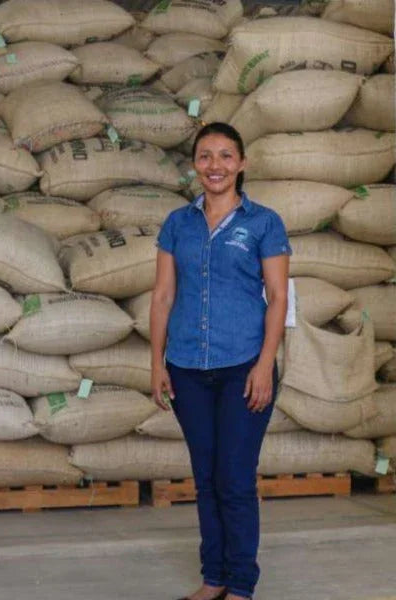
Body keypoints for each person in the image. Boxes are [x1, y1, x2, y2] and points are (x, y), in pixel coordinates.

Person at [150, 122, 291, 600]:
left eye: (226, 156)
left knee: (233, 477)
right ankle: (213, 579)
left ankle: (241, 585)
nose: (216, 166)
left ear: (242, 164)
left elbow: (277, 298)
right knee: (206, 476)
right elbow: (163, 296)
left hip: (243, 365)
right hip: (187, 366)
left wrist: (264, 364)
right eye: (206, 156)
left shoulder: (264, 222)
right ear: (195, 164)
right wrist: (157, 362)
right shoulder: (178, 223)